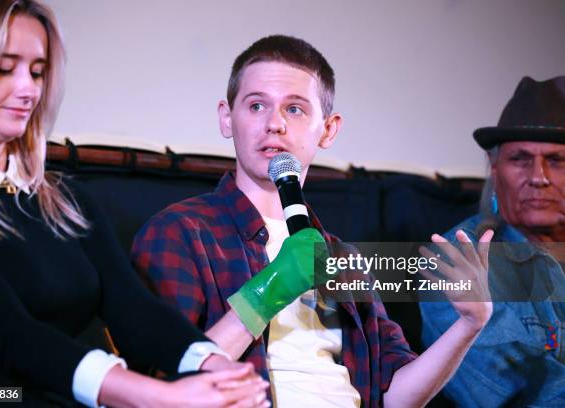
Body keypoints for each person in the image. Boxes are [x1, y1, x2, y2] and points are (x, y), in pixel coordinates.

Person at [132, 34, 496, 407]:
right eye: (256, 106)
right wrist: (268, 292)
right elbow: (164, 380)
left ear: (328, 129)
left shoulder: (343, 258)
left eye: (294, 109)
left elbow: (397, 398)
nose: (274, 124)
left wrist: (469, 324)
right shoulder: (182, 231)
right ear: (227, 118)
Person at [0, 1, 270, 407]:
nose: (28, 89)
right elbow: (10, 333)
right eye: (4, 68)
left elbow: (134, 307)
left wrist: (215, 367)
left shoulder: (67, 201)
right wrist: (158, 397)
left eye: (36, 72)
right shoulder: (186, 226)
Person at [420, 76, 565, 407]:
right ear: (495, 171)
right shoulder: (453, 259)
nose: (538, 178)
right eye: (520, 160)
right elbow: (518, 392)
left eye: (556, 161)